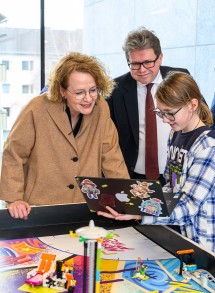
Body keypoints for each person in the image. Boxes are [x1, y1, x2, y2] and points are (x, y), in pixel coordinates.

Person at [0, 52, 129, 219]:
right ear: (62, 90)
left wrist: (126, 200)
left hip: (83, 206)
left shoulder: (101, 107)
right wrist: (14, 198)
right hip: (38, 207)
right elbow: (14, 154)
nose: (88, 98)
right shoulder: (36, 108)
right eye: (79, 93)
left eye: (93, 90)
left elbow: (112, 156)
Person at [98, 71, 215, 253]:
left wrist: (141, 213)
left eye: (170, 113)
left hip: (202, 240)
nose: (166, 120)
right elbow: (170, 186)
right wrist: (140, 199)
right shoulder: (175, 134)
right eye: (161, 113)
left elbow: (189, 206)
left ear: (192, 105)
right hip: (181, 235)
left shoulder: (208, 147)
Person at [107, 26, 190, 185]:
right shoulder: (116, 90)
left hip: (176, 174)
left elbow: (203, 119)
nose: (142, 70)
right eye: (135, 64)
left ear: (160, 58)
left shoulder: (180, 78)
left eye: (148, 62)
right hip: (133, 176)